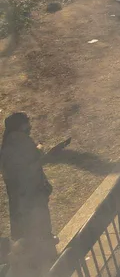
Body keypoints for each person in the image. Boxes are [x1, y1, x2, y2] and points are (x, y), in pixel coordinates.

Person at [0, 113, 60, 272]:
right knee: (38, 226)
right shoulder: (19, 140)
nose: (30, 127)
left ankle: (35, 262)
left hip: (21, 198)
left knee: (27, 230)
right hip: (30, 196)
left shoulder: (8, 144)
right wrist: (40, 150)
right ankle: (46, 262)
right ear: (20, 125)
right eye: (27, 124)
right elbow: (30, 166)